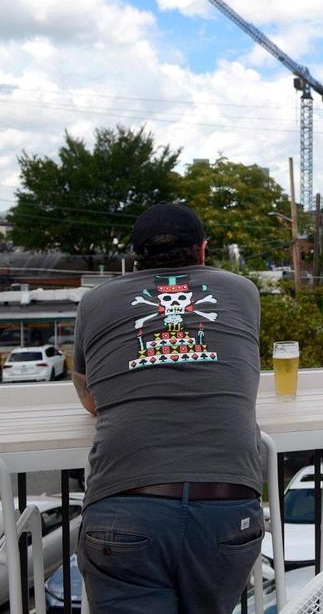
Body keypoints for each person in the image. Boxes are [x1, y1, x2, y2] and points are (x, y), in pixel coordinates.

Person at [72, 203, 265, 613]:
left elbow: (89, 397)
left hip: (124, 506)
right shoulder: (242, 290)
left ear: (136, 258)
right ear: (203, 251)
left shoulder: (95, 302)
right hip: (227, 507)